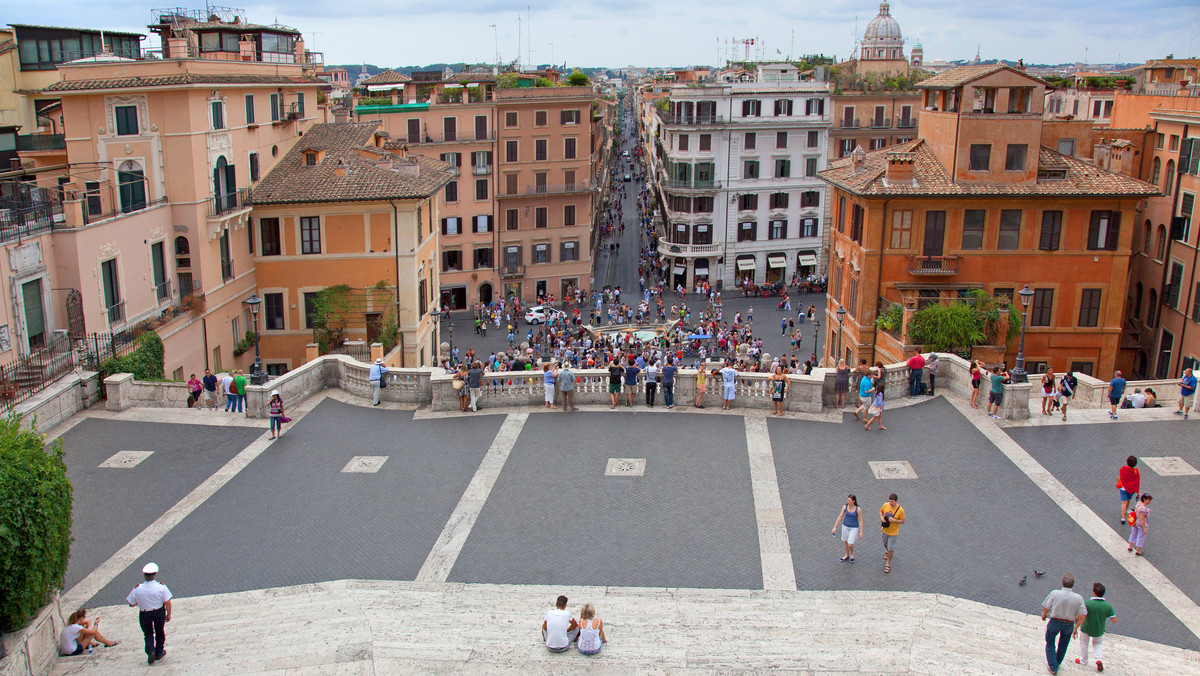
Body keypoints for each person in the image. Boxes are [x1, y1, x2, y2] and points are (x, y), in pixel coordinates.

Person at [127, 562, 172, 665]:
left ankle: (150, 650)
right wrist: (168, 614)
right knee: (159, 632)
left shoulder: (137, 588)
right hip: (158, 612)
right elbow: (167, 602)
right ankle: (159, 652)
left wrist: (136, 604)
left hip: (144, 613)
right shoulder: (161, 587)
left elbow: (130, 603)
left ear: (144, 575)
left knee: (148, 634)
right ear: (155, 574)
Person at [1041, 573, 1087, 675]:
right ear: (1073, 584)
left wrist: (1044, 615)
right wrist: (1076, 626)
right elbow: (1083, 615)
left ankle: (1053, 666)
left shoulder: (1055, 593)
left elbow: (1046, 607)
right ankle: (1056, 662)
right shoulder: (1078, 598)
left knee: (1050, 642)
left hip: (1055, 621)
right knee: (1063, 644)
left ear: (1062, 583)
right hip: (1069, 624)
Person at [1075, 582, 1116, 672]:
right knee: (1098, 644)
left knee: (1084, 644)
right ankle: (1098, 659)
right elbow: (1114, 619)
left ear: (1094, 592)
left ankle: (1083, 661)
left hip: (1086, 628)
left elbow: (1082, 616)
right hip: (1099, 629)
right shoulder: (1108, 606)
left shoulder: (1088, 603)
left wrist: (1076, 627)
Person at [832, 494, 863, 562]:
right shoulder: (845, 507)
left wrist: (861, 531)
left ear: (853, 501)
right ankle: (846, 555)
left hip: (854, 527)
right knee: (845, 541)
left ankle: (851, 554)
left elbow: (860, 520)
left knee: (850, 544)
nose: (848, 501)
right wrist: (835, 527)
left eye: (849, 500)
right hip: (845, 526)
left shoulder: (858, 509)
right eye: (847, 500)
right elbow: (840, 516)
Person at [879, 494, 905, 573]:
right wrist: (881, 517)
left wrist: (894, 521)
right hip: (885, 530)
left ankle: (888, 563)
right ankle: (887, 551)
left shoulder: (900, 510)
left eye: (892, 501)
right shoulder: (885, 505)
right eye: (890, 501)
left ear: (896, 501)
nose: (891, 503)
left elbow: (903, 521)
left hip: (893, 532)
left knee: (891, 548)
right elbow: (881, 511)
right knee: (885, 544)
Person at [1117, 455, 1141, 526]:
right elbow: (1138, 480)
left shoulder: (1123, 469)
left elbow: (1120, 477)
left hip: (1123, 488)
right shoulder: (1136, 471)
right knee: (1128, 500)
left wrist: (1118, 484)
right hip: (1131, 489)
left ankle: (1123, 518)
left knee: (1123, 503)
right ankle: (1125, 512)